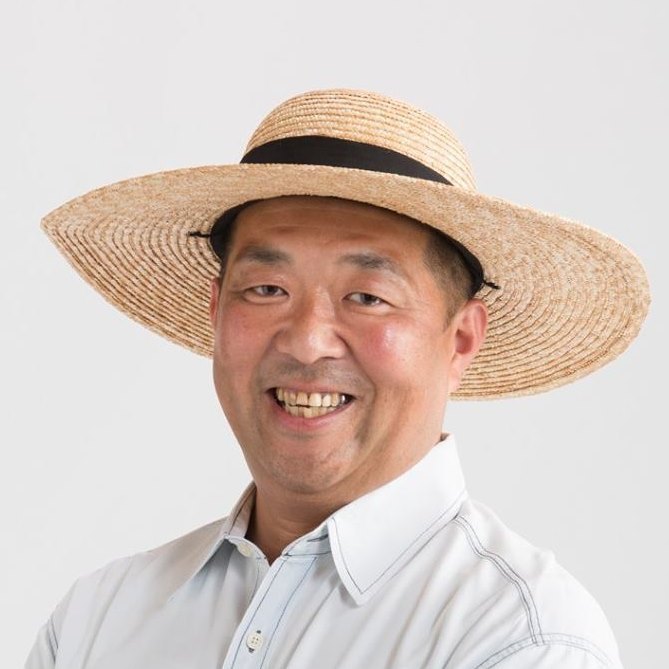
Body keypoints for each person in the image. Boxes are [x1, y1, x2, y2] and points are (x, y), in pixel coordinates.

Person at [27, 89, 649, 668]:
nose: (306, 341)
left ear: (460, 339)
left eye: (367, 297)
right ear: (216, 311)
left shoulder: (519, 639)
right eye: (266, 289)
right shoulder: (96, 622)